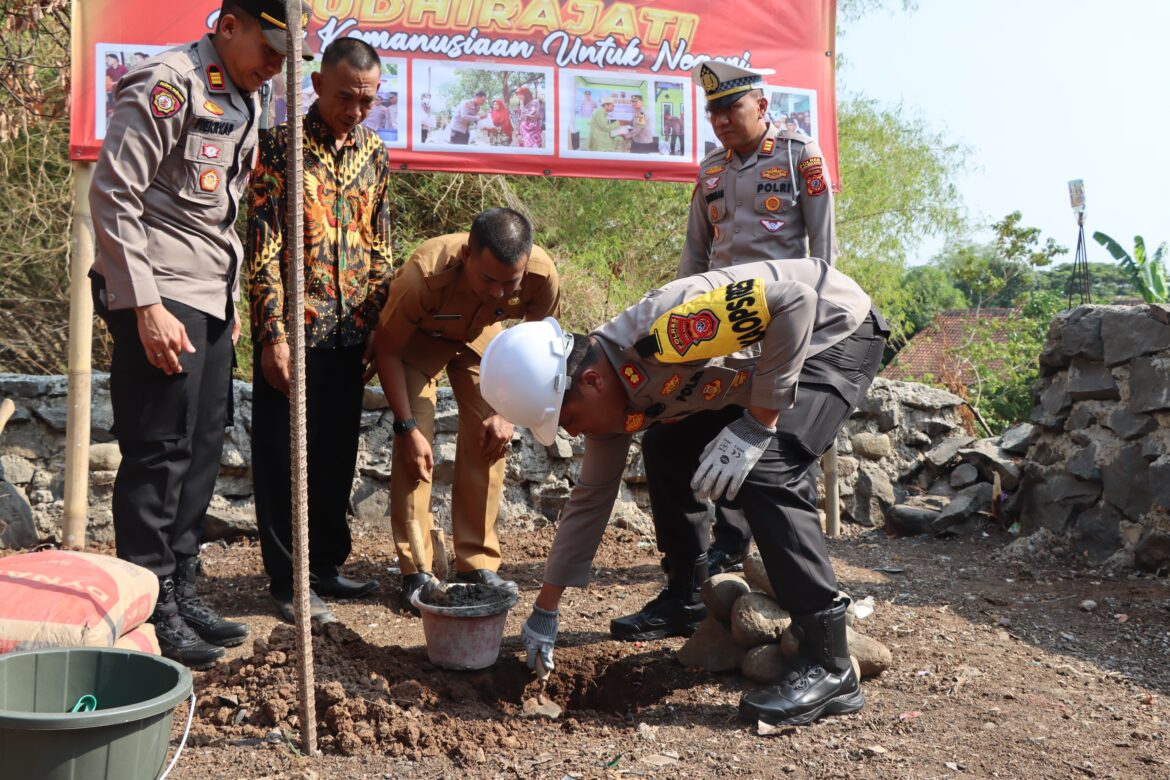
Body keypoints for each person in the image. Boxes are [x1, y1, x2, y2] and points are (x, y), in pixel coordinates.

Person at [481, 258, 888, 727]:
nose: (571, 433)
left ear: (590, 383)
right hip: (763, 360)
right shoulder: (605, 383)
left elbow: (796, 302)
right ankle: (688, 597)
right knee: (666, 445)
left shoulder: (669, 330)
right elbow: (591, 498)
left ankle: (828, 661)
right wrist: (544, 609)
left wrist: (758, 425)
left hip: (831, 332)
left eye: (567, 421)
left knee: (766, 470)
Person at [88, 0, 310, 669]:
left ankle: (180, 591)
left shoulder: (248, 98)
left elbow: (220, 212)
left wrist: (228, 301)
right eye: (268, 45)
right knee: (159, 456)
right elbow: (113, 194)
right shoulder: (169, 83)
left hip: (207, 299)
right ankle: (148, 606)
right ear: (229, 24)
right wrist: (145, 305)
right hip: (157, 291)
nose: (276, 63)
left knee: (202, 451)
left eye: (286, 50)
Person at [248, 37, 392, 625]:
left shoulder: (377, 153)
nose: (355, 110)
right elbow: (261, 247)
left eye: (367, 100)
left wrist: (381, 326)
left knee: (336, 455)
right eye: (345, 98)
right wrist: (271, 334)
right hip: (295, 334)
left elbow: (382, 245)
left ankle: (326, 565)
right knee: (285, 458)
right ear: (316, 87)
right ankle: (288, 582)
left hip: (351, 334)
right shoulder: (280, 149)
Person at [680, 61, 841, 577]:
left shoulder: (800, 157)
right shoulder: (710, 171)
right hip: (722, 322)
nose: (722, 120)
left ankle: (787, 543)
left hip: (782, 319)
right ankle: (728, 539)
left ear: (762, 106)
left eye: (732, 107)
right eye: (713, 111)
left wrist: (820, 323)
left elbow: (825, 252)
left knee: (776, 432)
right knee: (723, 424)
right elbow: (694, 256)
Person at [373, 209, 560, 612]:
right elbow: (386, 348)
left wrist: (508, 412)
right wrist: (406, 427)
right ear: (465, 256)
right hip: (419, 343)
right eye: (487, 279)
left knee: (490, 437)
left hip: (483, 342)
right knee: (416, 448)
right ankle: (417, 571)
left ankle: (475, 562)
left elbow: (541, 346)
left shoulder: (542, 276)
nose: (497, 292)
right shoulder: (422, 276)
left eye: (508, 283)